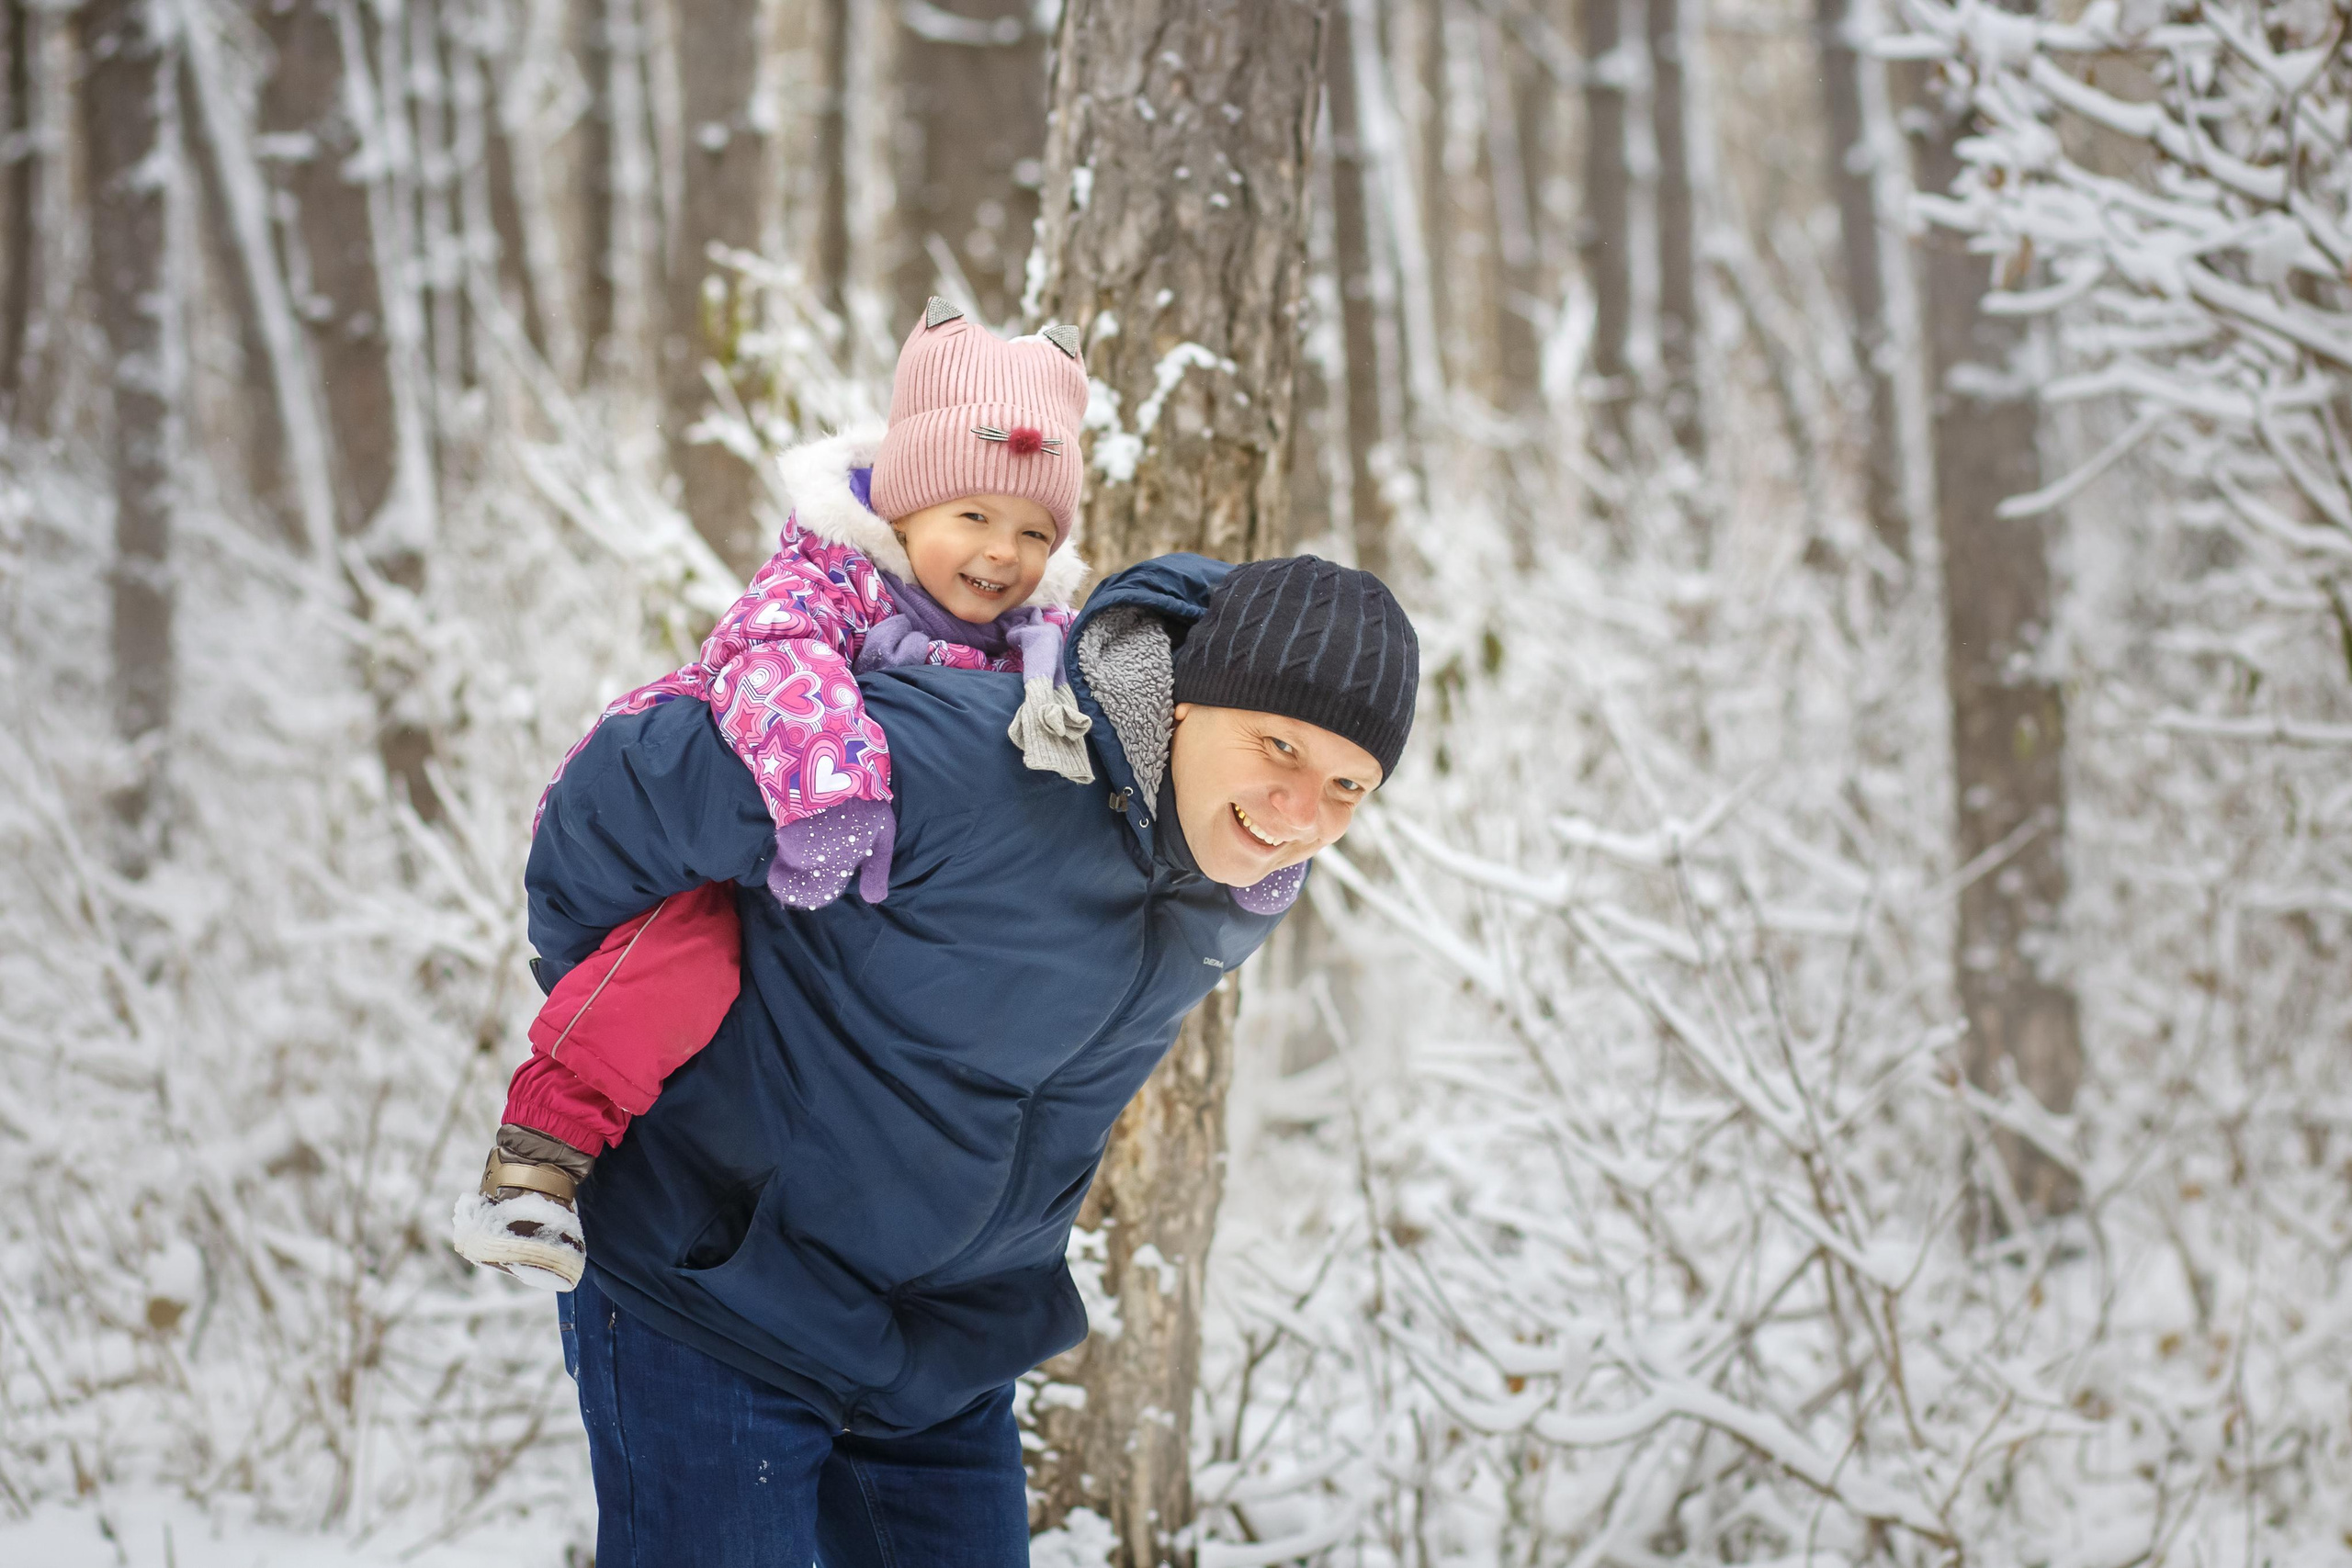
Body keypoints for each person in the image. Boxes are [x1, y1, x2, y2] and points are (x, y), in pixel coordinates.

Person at [523, 548, 1416, 1565]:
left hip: (940, 1369)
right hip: (716, 1303)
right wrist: (615, 1004)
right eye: (1277, 747)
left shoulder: (1234, 880)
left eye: (1349, 785)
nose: (1301, 813)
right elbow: (626, 786)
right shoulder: (967, 760)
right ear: (1181, 704)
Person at [454, 299, 1103, 1288]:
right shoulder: (829, 579)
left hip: (851, 910)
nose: (1002, 553)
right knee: (687, 959)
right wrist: (832, 793)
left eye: (1032, 530)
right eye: (972, 516)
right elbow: (772, 663)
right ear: (900, 508)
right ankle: (537, 1161)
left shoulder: (1034, 642)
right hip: (725, 830)